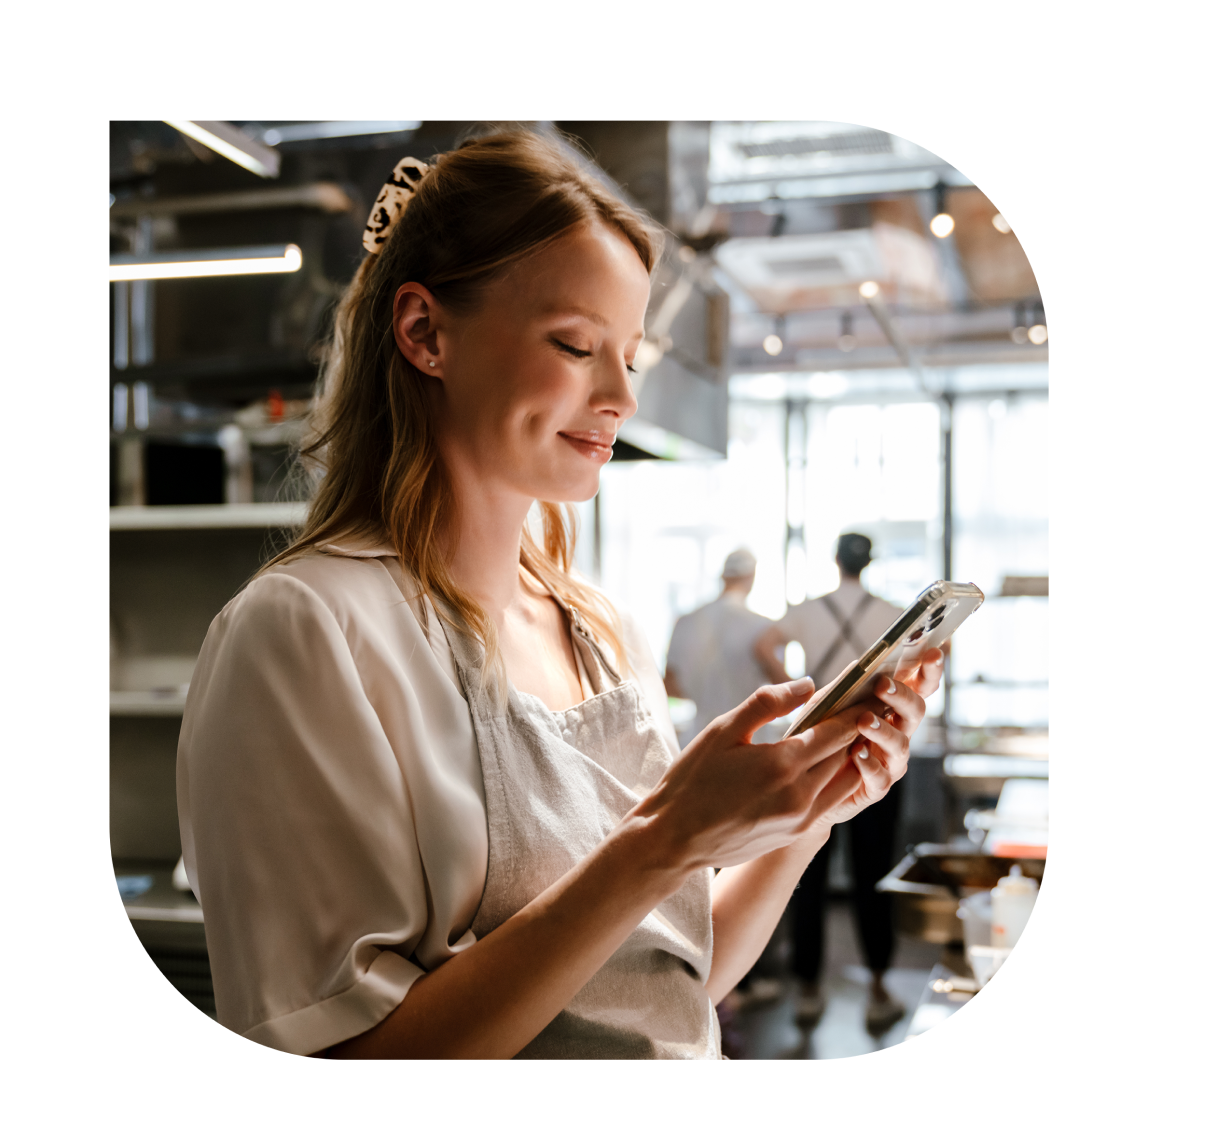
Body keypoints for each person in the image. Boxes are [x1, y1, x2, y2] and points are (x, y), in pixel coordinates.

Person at [177, 133, 942, 1059]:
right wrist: (667, 838)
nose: (621, 393)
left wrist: (811, 809)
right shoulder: (304, 630)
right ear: (425, 334)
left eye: (633, 353)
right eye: (576, 345)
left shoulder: (597, 628)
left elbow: (664, 986)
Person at [753, 533, 909, 1035]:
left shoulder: (808, 610)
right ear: (869, 563)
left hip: (819, 749)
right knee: (874, 869)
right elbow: (937, 645)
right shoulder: (890, 611)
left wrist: (801, 697)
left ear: (836, 561)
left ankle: (807, 991)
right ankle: (881, 989)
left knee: (807, 874)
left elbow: (764, 645)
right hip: (873, 747)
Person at [664, 549, 776, 748]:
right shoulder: (762, 628)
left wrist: (707, 694)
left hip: (698, 740)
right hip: (750, 742)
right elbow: (776, 686)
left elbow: (670, 686)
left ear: (724, 577)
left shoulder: (686, 621)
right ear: (751, 578)